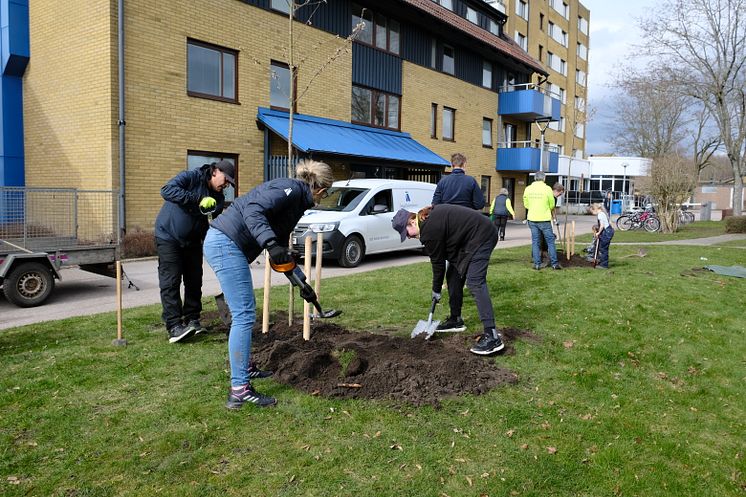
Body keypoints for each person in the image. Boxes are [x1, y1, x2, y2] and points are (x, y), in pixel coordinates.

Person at [203, 159, 334, 409]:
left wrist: (299, 281)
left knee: (244, 312)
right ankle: (239, 390)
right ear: (319, 188)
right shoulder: (291, 189)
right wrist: (271, 244)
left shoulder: (295, 200)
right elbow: (253, 210)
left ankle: (246, 368)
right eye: (325, 192)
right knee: (244, 313)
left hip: (227, 243)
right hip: (225, 242)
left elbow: (279, 252)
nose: (323, 196)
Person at [391, 204, 504, 356]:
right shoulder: (427, 218)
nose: (410, 237)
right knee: (453, 275)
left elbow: (438, 264)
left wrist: (436, 290)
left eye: (407, 233)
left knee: (475, 282)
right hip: (469, 239)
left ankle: (492, 336)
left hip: (482, 235)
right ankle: (455, 319)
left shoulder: (428, 229)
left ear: (411, 222)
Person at [155, 159, 234, 343]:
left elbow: (213, 220)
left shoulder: (219, 197)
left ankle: (192, 319)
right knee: (171, 281)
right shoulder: (191, 177)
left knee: (194, 280)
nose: (227, 184)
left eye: (230, 182)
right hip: (168, 236)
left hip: (194, 241)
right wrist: (198, 199)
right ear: (215, 171)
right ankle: (174, 325)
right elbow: (166, 190)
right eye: (225, 178)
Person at [523, 171, 561, 270]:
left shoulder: (528, 189)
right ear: (544, 179)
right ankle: (554, 263)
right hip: (544, 218)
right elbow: (552, 204)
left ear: (535, 178)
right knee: (550, 241)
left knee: (535, 241)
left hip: (532, 218)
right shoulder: (547, 189)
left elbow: (526, 204)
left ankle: (537, 264)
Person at [589, 202, 614, 269]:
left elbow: (602, 225)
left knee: (603, 249)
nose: (592, 214)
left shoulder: (600, 214)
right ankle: (601, 261)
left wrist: (598, 233)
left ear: (595, 209)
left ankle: (604, 265)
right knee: (602, 247)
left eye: (592, 212)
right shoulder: (603, 213)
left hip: (606, 232)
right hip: (608, 231)